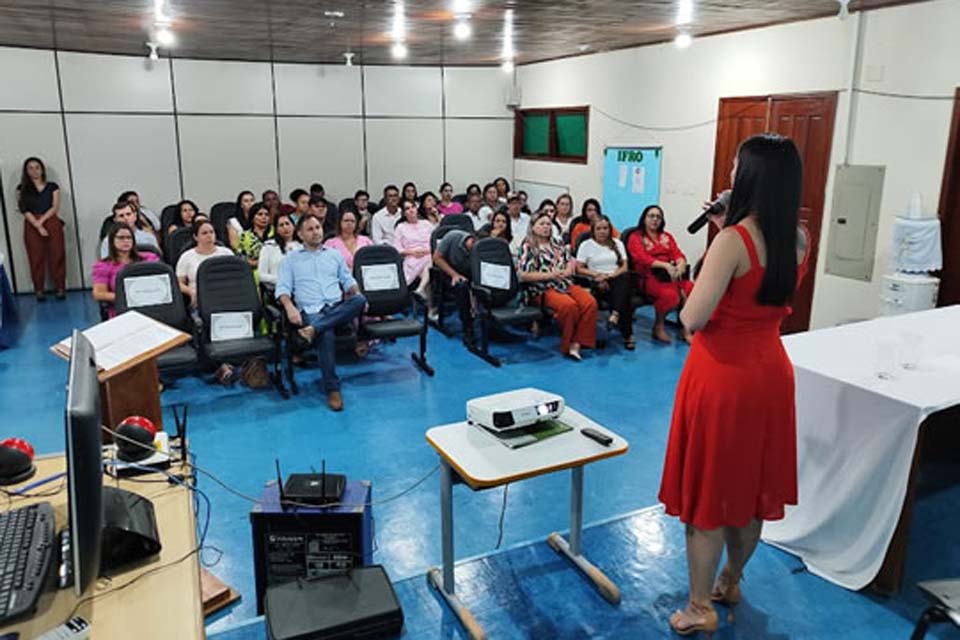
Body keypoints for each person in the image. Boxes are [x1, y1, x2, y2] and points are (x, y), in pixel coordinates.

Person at [658, 134, 810, 636]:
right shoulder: (800, 237)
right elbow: (761, 294)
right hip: (770, 373)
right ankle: (731, 580)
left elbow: (693, 318)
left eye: (735, 168)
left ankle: (700, 606)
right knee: (749, 491)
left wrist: (705, 258)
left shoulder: (732, 241)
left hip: (723, 378)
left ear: (749, 179)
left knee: (709, 497)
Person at [276, 214, 367, 411]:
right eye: (310, 229)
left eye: (317, 227)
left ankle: (312, 330)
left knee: (359, 300)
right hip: (311, 309)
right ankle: (332, 389)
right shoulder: (290, 260)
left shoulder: (334, 255)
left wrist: (356, 292)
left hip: (336, 307)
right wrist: (290, 307)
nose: (316, 232)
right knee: (325, 333)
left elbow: (347, 281)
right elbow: (282, 289)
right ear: (300, 234)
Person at [518, 212, 597, 360]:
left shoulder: (558, 243)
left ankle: (578, 342)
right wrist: (551, 275)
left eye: (548, 224)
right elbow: (523, 275)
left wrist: (566, 272)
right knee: (569, 306)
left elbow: (569, 264)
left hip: (564, 283)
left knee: (589, 302)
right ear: (533, 227)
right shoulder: (528, 246)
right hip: (542, 288)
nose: (546, 227)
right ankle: (568, 346)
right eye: (541, 224)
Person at [627, 204, 693, 343]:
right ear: (644, 218)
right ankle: (659, 325)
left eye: (658, 217)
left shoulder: (666, 236)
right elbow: (641, 258)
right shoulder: (636, 237)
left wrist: (680, 263)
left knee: (690, 288)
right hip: (648, 275)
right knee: (670, 295)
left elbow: (677, 253)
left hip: (669, 275)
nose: (655, 219)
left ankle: (685, 328)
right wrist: (664, 265)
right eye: (651, 216)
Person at [576, 215, 635, 349]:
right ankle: (628, 335)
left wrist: (611, 276)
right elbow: (579, 268)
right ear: (593, 230)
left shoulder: (618, 243)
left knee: (625, 278)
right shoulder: (586, 245)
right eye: (599, 229)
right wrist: (596, 274)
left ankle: (615, 315)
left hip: (616, 277)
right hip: (596, 280)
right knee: (624, 297)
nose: (602, 231)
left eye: (605, 228)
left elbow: (624, 267)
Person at [16, 157, 66, 300]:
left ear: (42, 169)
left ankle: (60, 288)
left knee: (57, 255)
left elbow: (55, 207)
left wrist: (42, 221)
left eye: (37, 167)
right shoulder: (22, 189)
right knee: (35, 258)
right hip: (32, 224)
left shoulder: (52, 187)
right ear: (26, 171)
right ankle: (39, 290)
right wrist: (37, 225)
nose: (34, 171)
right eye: (30, 168)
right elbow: (24, 209)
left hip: (51, 221)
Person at [91, 223, 159, 318]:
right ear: (112, 241)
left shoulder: (149, 258)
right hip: (121, 310)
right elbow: (99, 293)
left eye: (129, 237)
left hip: (151, 307)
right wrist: (128, 298)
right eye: (121, 238)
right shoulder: (103, 265)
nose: (126, 241)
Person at [175, 218, 234, 310]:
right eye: (204, 233)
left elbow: (235, 277)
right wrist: (191, 291)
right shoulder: (186, 256)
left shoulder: (226, 253)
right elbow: (178, 283)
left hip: (225, 297)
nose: (209, 236)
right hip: (200, 300)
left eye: (211, 232)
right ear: (195, 237)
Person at [432, 229, 477, 345]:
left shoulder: (480, 248)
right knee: (462, 287)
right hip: (448, 272)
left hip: (471, 273)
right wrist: (454, 274)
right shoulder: (452, 237)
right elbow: (437, 258)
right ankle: (468, 329)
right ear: (471, 240)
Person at [393, 200, 434, 305]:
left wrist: (427, 250)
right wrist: (412, 252)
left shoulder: (427, 224)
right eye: (407, 208)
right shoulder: (400, 227)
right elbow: (397, 249)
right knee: (428, 273)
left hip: (428, 254)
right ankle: (430, 310)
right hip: (411, 257)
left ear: (417, 209)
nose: (411, 210)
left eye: (413, 207)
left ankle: (420, 289)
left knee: (429, 264)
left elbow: (436, 243)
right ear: (403, 213)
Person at [259, 212, 301, 286]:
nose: (285, 227)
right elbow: (261, 275)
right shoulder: (269, 246)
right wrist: (282, 280)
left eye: (287, 224)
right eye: (281, 225)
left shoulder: (301, 246)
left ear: (294, 226)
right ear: (276, 229)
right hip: (277, 288)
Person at [236, 202, 274, 275]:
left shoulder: (276, 232)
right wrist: (255, 263)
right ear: (252, 217)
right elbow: (240, 257)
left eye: (266, 214)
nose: (264, 217)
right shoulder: (244, 235)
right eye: (260, 214)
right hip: (253, 272)